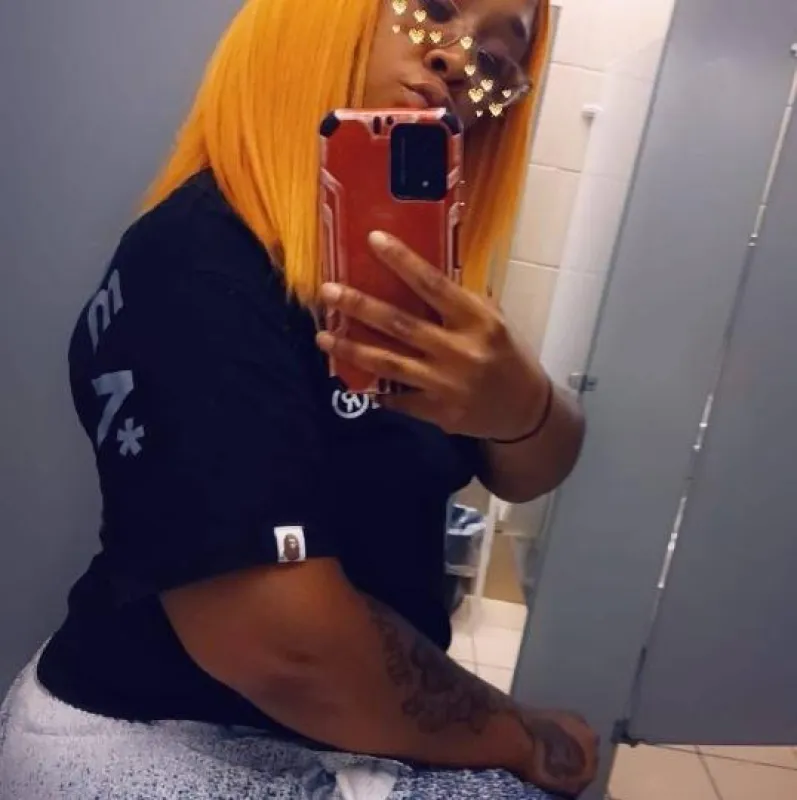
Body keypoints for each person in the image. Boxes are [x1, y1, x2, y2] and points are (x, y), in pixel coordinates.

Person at [0, 0, 598, 797]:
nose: (457, 60)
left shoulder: (417, 281)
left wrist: (521, 406)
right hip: (164, 732)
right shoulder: (202, 264)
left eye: (493, 60)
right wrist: (522, 734)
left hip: (310, 722)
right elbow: (285, 650)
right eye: (433, 7)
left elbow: (531, 470)